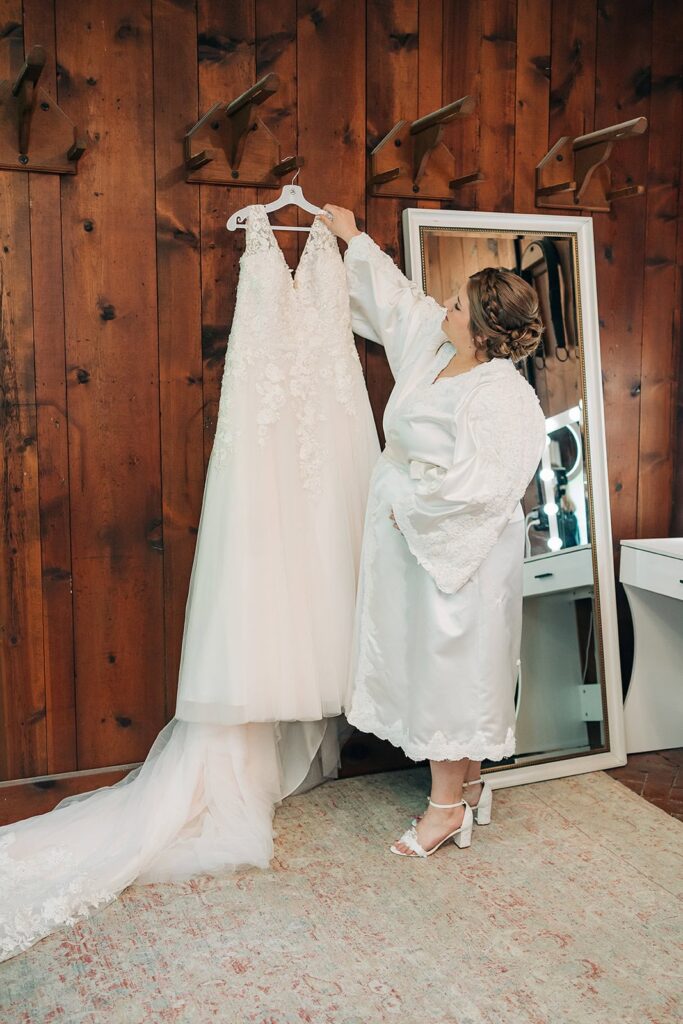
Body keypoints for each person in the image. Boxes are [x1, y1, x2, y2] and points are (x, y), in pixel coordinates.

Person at [317, 205, 548, 859]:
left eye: (456, 304)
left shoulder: (501, 396)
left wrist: (416, 507)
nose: (442, 305)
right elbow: (398, 303)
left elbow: (490, 482)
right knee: (434, 656)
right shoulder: (436, 348)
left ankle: (444, 810)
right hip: (410, 536)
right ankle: (469, 788)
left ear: (482, 332)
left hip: (461, 545)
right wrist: (352, 238)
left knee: (455, 662)